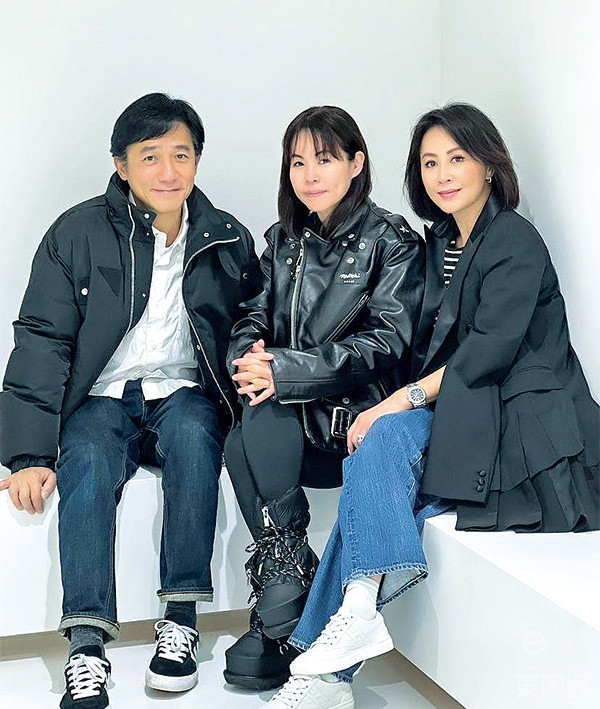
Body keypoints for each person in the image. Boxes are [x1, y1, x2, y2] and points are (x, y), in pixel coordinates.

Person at [269, 103, 599, 708]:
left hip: (512, 421)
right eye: (428, 162)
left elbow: (486, 353)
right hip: (463, 410)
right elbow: (418, 345)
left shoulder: (514, 240)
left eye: (457, 158)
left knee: (378, 450)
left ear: (490, 165)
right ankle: (347, 633)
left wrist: (396, 402)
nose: (442, 174)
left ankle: (326, 672)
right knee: (375, 456)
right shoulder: (441, 241)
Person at [0, 93, 261, 708]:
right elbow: (43, 339)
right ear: (121, 165)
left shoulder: (225, 237)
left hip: (183, 393)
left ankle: (181, 621)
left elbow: (251, 324)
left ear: (197, 160)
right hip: (102, 396)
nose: (168, 171)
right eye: (150, 157)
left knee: (196, 440)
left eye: (181, 155)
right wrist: (28, 455)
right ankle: (87, 645)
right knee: (87, 461)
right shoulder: (77, 233)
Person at [222, 106, 425, 690]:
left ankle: (281, 604)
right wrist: (250, 357)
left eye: (325, 159)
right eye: (297, 162)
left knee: (255, 422)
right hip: (288, 418)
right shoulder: (283, 241)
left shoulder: (392, 242)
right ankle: (288, 587)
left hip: (349, 424)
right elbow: (251, 315)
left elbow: (385, 343)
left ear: (356, 164)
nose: (309, 175)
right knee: (245, 427)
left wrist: (283, 370)